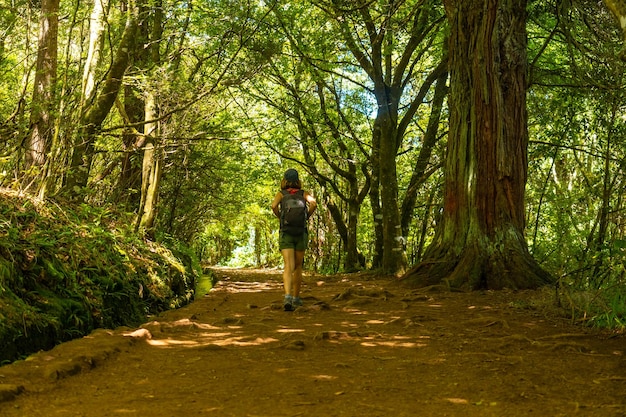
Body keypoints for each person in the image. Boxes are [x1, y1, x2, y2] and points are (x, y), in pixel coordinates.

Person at [271, 168, 317, 311]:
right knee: (298, 267)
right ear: (298, 180)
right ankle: (297, 298)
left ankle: (287, 297)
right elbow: (313, 203)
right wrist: (306, 217)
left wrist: (280, 217)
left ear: (284, 180)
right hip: (300, 232)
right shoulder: (303, 194)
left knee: (288, 266)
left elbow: (273, 206)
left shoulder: (281, 194)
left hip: (286, 232)